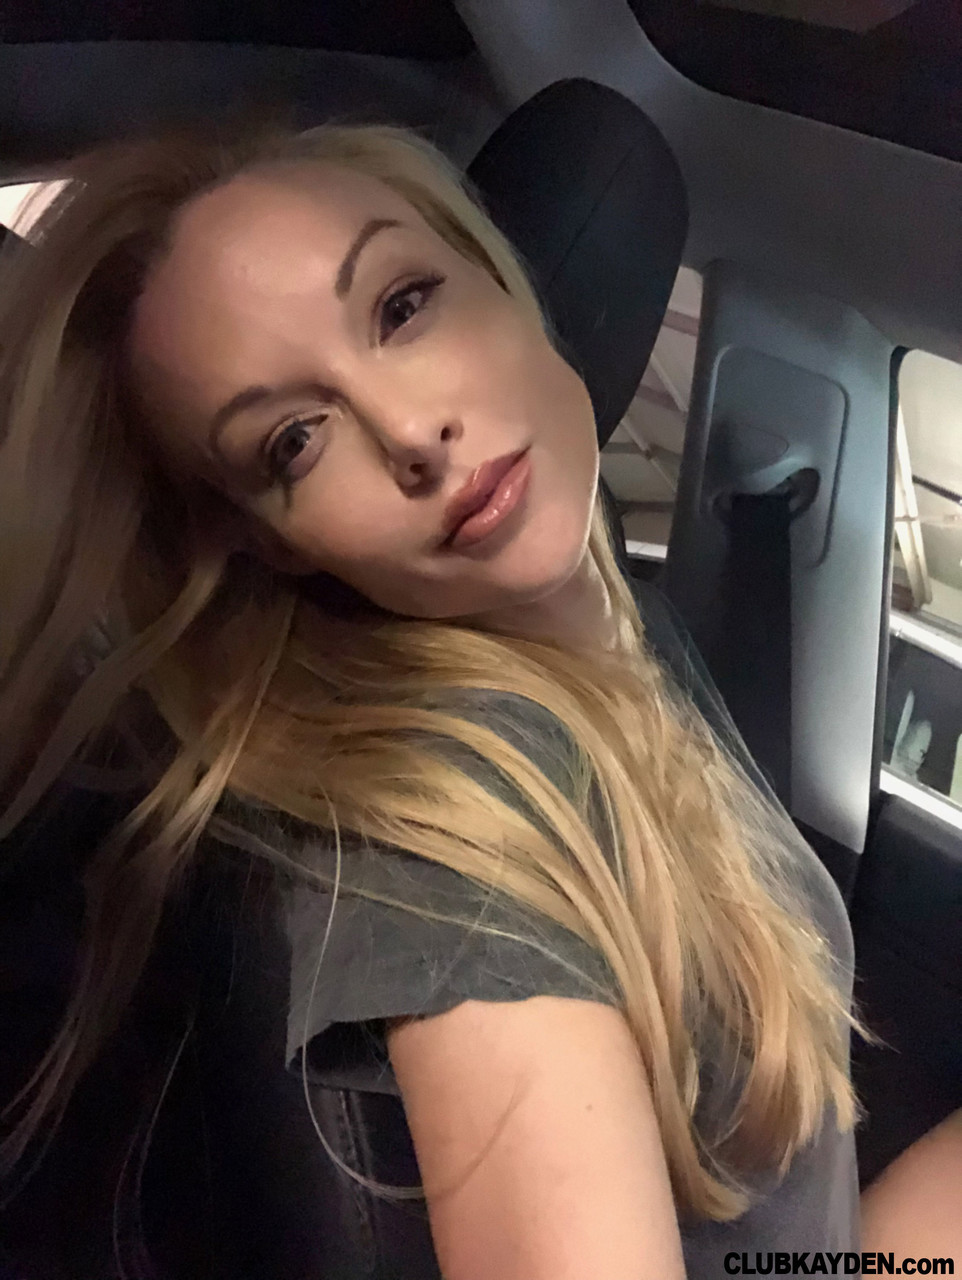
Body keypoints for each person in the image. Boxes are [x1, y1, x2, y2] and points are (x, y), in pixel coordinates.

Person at [0, 119, 948, 1277]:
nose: (411, 433)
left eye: (401, 307)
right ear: (271, 541)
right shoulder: (440, 834)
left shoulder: (616, 634)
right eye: (294, 440)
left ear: (497, 274)